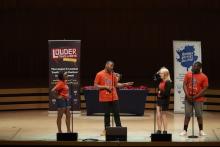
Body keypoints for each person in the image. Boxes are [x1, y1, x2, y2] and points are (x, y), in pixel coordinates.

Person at [94, 61, 134, 135]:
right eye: (111, 66)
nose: (112, 67)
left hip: (114, 97)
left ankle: (119, 129)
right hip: (105, 97)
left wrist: (125, 84)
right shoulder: (99, 74)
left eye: (113, 66)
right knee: (107, 114)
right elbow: (95, 86)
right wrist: (105, 87)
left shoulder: (113, 75)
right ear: (106, 65)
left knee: (116, 113)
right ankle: (107, 130)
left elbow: (116, 84)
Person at [180, 62, 209, 136]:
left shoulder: (204, 77)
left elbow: (205, 89)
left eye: (195, 66)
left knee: (199, 115)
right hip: (188, 98)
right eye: (193, 66)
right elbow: (184, 85)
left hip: (198, 99)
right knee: (187, 115)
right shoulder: (188, 74)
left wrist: (195, 97)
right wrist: (187, 95)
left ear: (199, 68)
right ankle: (185, 130)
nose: (193, 67)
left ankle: (201, 130)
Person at [156, 67, 172, 134]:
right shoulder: (161, 81)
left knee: (163, 115)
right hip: (159, 99)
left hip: (164, 100)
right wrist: (159, 92)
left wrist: (160, 92)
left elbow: (167, 93)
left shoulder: (168, 82)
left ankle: (165, 130)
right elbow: (159, 90)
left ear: (165, 74)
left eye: (161, 73)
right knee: (158, 115)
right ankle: (159, 130)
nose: (160, 74)